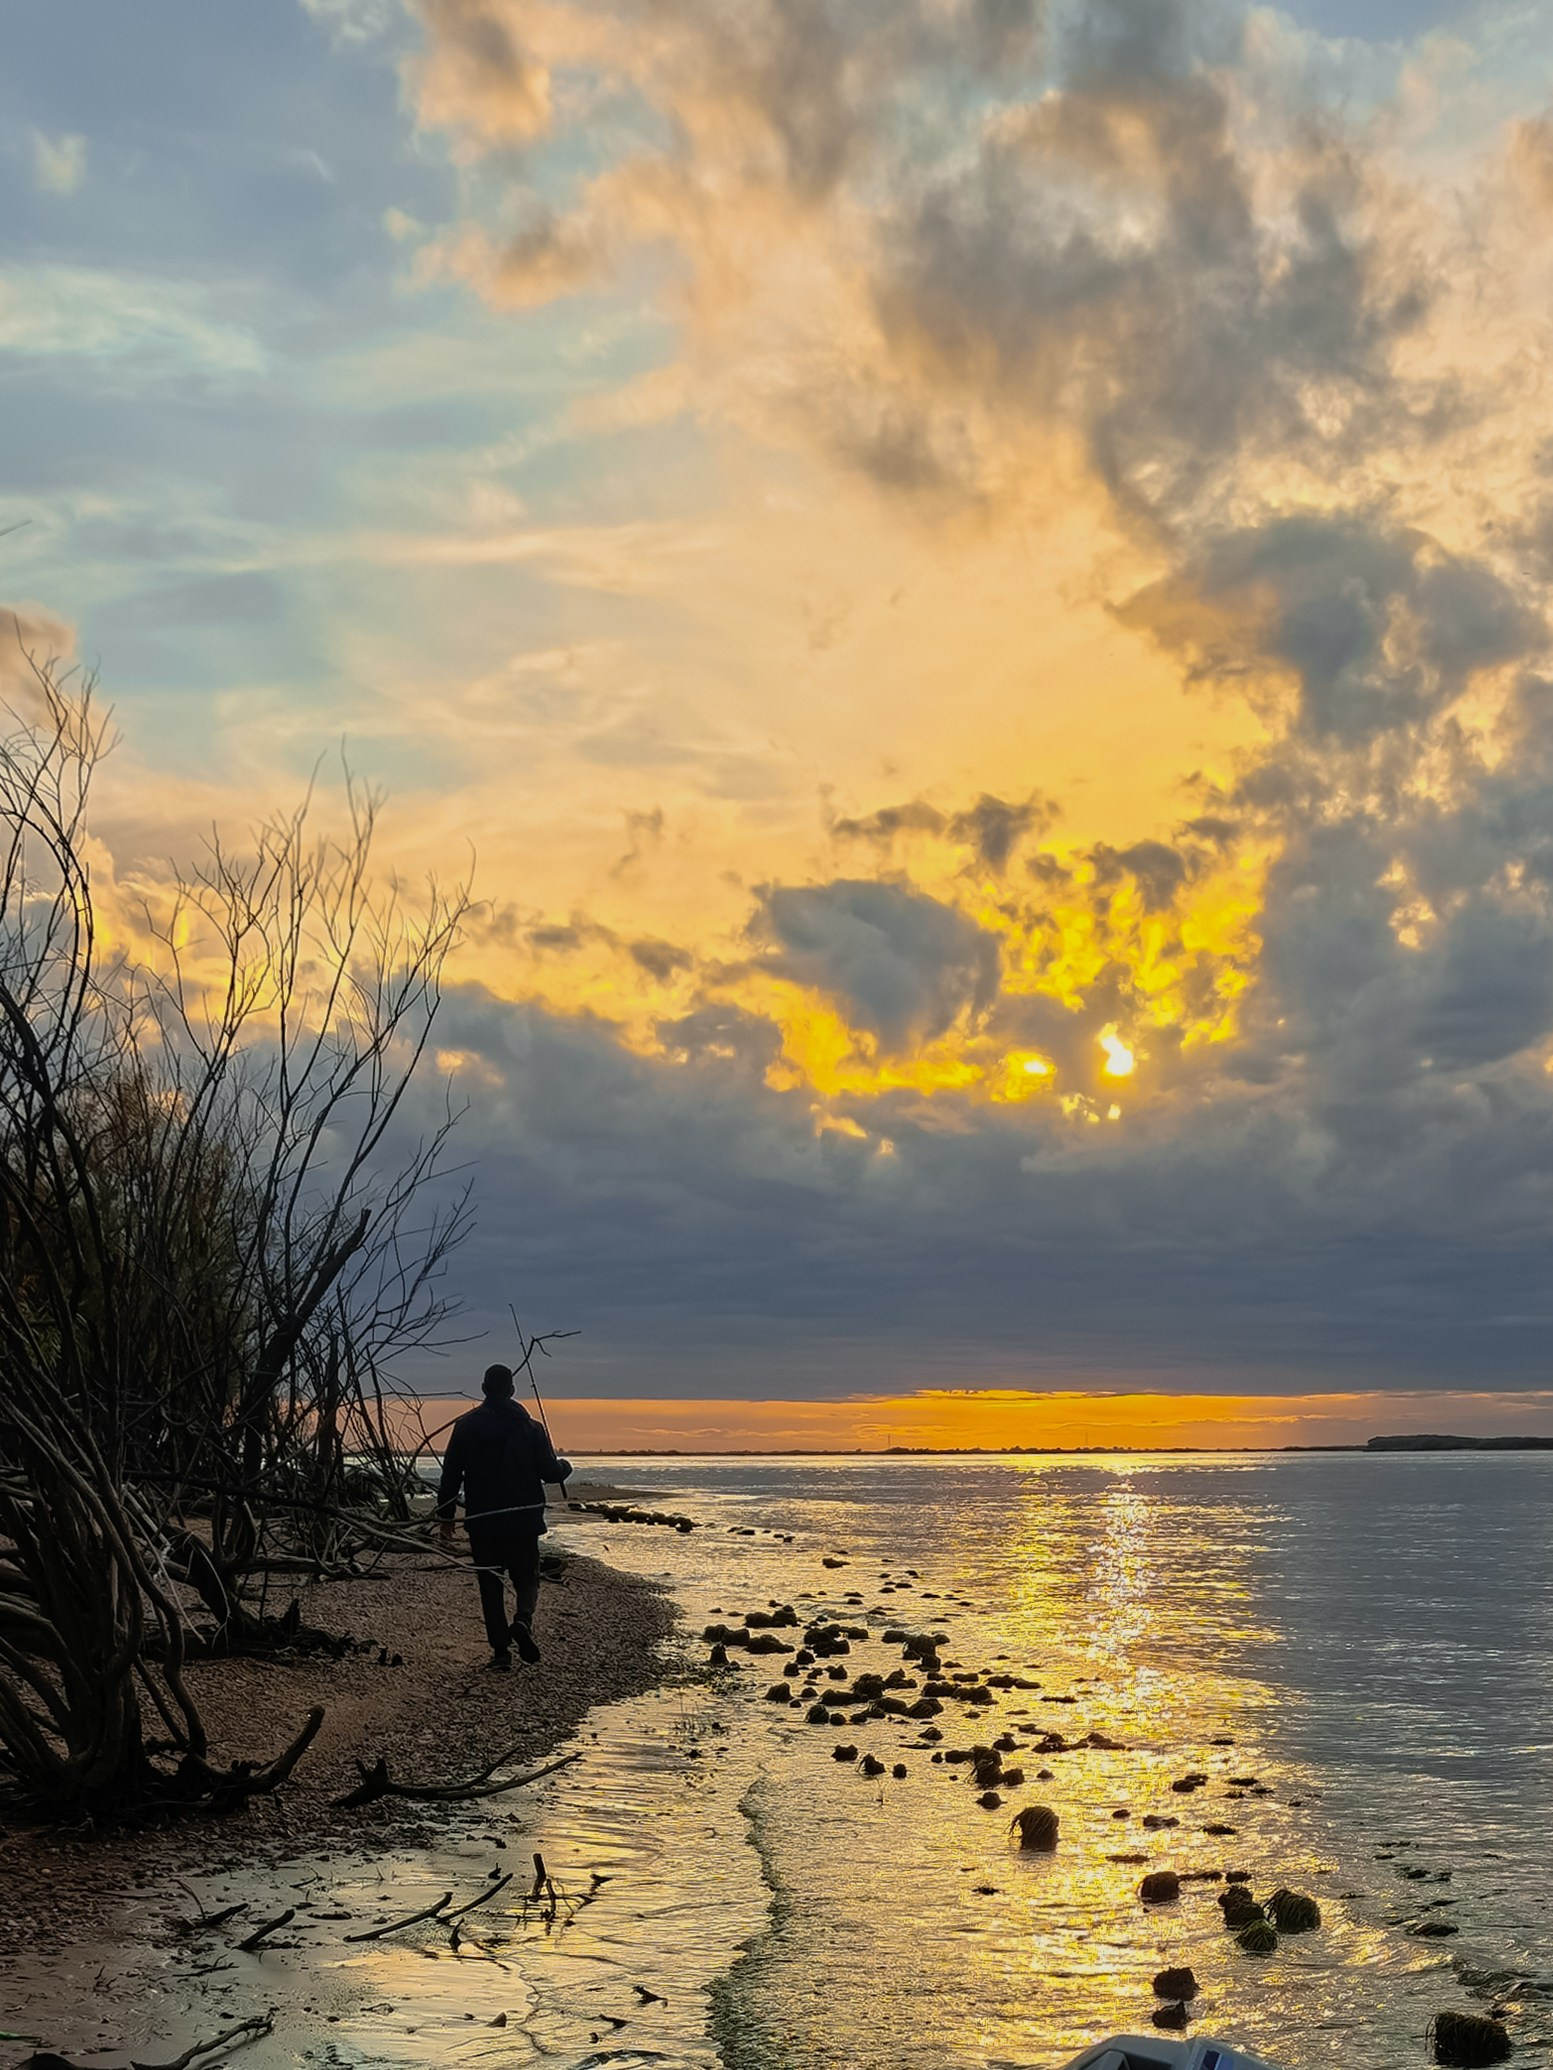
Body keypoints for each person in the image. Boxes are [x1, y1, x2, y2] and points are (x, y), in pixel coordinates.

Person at [437, 1364, 572, 1670]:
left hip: (483, 1520)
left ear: (484, 1389)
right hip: (523, 1519)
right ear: (511, 1390)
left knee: (490, 1584)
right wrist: (565, 1467)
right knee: (527, 1578)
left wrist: (446, 1516)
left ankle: (501, 1653)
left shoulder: (465, 1427)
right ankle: (523, 1621)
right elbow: (550, 1472)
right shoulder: (532, 1428)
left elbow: (451, 1476)